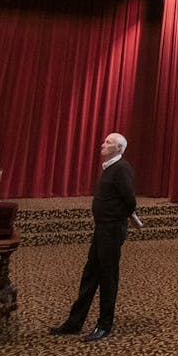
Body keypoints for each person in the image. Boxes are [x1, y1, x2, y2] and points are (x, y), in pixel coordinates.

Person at [50, 132, 137, 342]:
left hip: (112, 229)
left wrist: (117, 217)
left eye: (108, 142)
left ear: (119, 148)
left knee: (108, 277)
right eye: (105, 141)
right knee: (90, 275)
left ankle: (104, 324)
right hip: (102, 229)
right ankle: (74, 322)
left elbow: (130, 200)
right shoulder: (109, 168)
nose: (103, 145)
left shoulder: (121, 169)